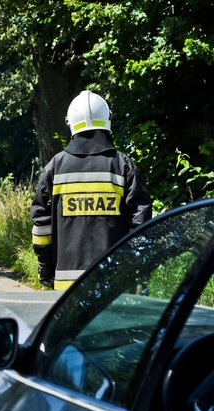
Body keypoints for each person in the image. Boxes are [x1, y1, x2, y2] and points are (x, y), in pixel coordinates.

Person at [31, 90, 152, 290]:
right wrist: (138, 274)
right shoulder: (124, 167)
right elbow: (141, 227)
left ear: (70, 123)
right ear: (107, 120)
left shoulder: (54, 168)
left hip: (67, 290)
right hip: (114, 288)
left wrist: (46, 269)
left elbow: (42, 228)